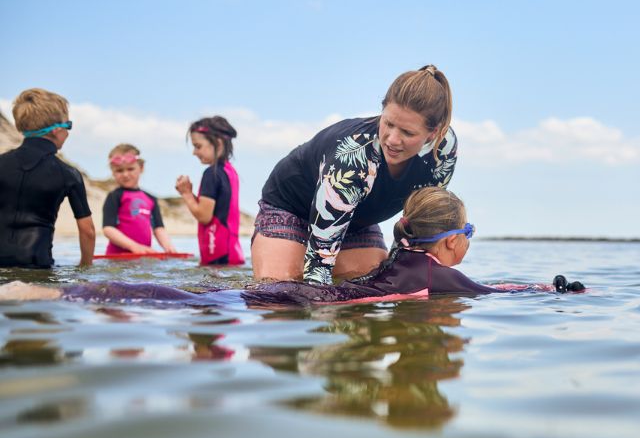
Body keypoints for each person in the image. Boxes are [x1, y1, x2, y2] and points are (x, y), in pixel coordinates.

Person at [0, 188, 584, 306]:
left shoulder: (399, 263)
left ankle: (47, 292)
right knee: (174, 299)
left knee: (169, 295)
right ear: (453, 241)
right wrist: (560, 289)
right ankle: (40, 294)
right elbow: (500, 291)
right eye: (469, 234)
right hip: (294, 301)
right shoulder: (440, 278)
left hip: (300, 293)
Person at [252, 64, 459, 284]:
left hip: (355, 219)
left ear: (433, 133)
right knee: (281, 290)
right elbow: (318, 269)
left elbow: (418, 227)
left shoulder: (443, 151)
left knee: (373, 282)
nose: (392, 139)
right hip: (290, 207)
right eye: (387, 123)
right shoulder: (353, 158)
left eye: (407, 132)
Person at [0, 88, 95, 268]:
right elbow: (87, 230)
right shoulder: (68, 174)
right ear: (57, 130)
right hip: (37, 266)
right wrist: (84, 267)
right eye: (69, 126)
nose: (68, 133)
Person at [175, 116, 245, 265]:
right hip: (232, 252)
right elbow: (217, 211)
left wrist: (186, 194)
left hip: (217, 254)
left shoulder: (211, 174)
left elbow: (204, 216)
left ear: (218, 144)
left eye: (198, 146)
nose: (194, 152)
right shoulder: (229, 172)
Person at [102, 144, 176, 255]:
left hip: (142, 256)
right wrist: (134, 246)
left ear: (141, 168)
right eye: (119, 171)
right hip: (117, 258)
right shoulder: (114, 196)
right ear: (113, 172)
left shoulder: (151, 199)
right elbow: (108, 229)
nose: (125, 174)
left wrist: (169, 248)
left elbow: (158, 228)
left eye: (130, 169)